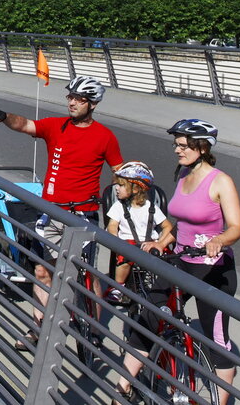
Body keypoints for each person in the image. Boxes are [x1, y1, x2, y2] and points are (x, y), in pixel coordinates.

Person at [0, 75, 122, 345]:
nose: (71, 102)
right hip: (51, 211)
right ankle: (38, 329)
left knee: (86, 276)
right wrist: (3, 116)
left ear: (91, 104)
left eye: (78, 99)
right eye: (69, 97)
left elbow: (119, 173)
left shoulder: (105, 137)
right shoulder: (56, 127)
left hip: (83, 213)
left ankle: (93, 332)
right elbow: (26, 125)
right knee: (42, 271)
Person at [166, 117, 240, 402]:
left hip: (212, 269)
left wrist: (219, 240)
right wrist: (162, 240)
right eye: (176, 144)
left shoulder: (221, 181)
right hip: (180, 261)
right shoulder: (183, 175)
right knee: (152, 314)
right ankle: (123, 388)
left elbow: (236, 227)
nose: (178, 150)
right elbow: (182, 220)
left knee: (216, 341)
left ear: (202, 148)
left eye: (184, 145)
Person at [108, 160, 173, 403]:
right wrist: (115, 240)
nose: (116, 189)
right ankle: (118, 287)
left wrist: (163, 240)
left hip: (149, 249)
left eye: (121, 185)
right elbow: (112, 227)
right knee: (123, 259)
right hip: (128, 246)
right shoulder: (118, 206)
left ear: (136, 188)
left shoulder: (152, 209)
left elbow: (167, 227)